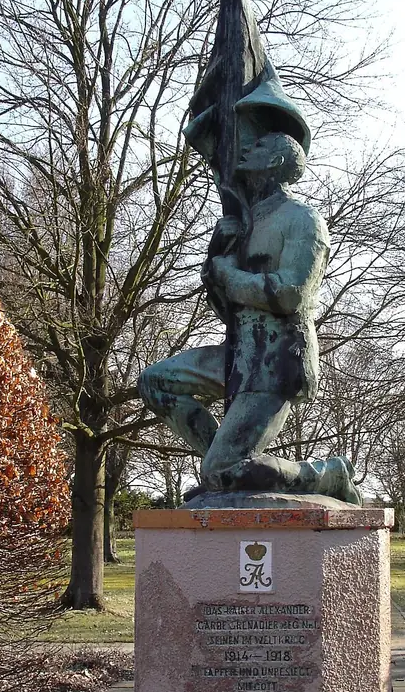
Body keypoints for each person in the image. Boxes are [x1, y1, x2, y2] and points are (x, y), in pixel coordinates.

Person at [137, 131, 361, 504]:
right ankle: (224, 471)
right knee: (155, 382)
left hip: (277, 359)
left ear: (275, 161)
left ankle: (326, 475)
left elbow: (291, 294)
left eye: (258, 145)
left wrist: (230, 275)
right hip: (239, 352)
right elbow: (224, 306)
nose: (246, 147)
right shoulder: (243, 220)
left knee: (223, 467)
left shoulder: (303, 219)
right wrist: (216, 254)